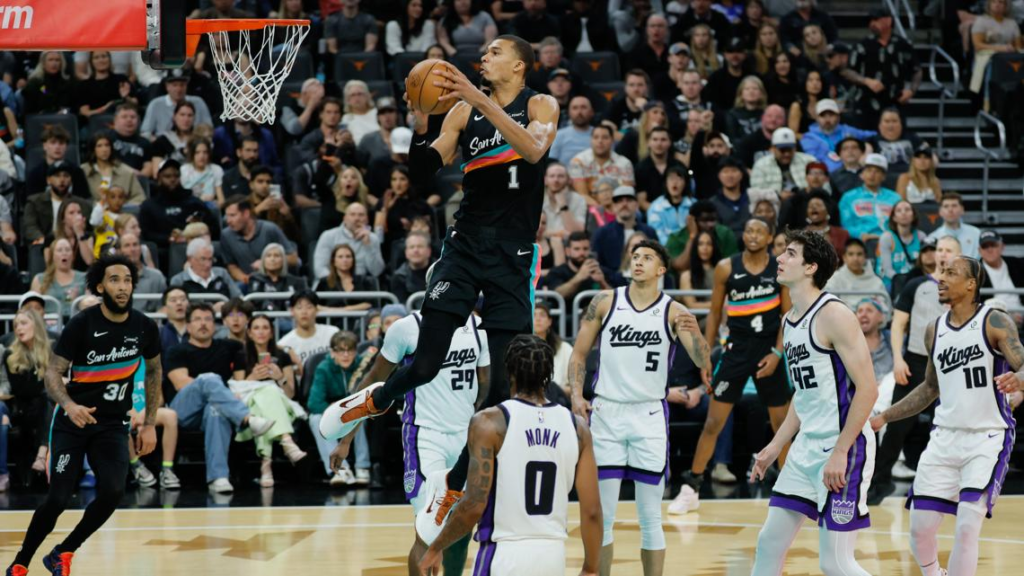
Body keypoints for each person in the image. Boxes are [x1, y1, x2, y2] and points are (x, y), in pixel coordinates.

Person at [328, 35, 559, 529]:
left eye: (495, 52)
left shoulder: (540, 104)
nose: (484, 58)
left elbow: (534, 150)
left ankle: (452, 485)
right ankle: (373, 401)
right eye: (484, 52)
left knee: (502, 390)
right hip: (465, 246)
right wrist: (420, 123)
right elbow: (423, 169)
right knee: (427, 360)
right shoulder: (462, 112)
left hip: (514, 254)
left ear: (519, 65)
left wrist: (477, 99)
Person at [7, 254, 163, 576]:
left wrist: (149, 423)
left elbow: (154, 371)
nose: (123, 287)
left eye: (127, 280)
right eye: (115, 280)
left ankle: (63, 552)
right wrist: (69, 405)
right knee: (58, 499)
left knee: (113, 492)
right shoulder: (82, 324)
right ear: (100, 286)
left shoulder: (144, 326)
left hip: (112, 424)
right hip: (73, 423)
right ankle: (21, 561)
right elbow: (53, 372)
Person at [870, 256, 1024, 576]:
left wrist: (1020, 378)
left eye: (950, 273)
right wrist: (885, 417)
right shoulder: (934, 329)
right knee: (920, 528)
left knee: (967, 526)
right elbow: (929, 388)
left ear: (971, 284)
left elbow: (1022, 363)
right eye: (941, 272)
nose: (940, 278)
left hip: (987, 437)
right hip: (944, 438)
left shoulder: (994, 321)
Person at [568, 239, 709, 576]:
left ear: (662, 269)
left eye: (647, 257)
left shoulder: (673, 311)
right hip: (607, 413)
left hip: (649, 415)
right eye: (635, 256)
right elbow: (579, 353)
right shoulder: (605, 301)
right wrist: (576, 394)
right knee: (604, 515)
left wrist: (697, 333)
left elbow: (702, 360)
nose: (639, 262)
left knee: (650, 517)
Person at [749, 228, 878, 576]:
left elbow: (868, 389)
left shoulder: (834, 314)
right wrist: (776, 445)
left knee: (835, 562)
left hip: (844, 446)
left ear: (811, 267)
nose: (779, 258)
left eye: (790, 253)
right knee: (769, 543)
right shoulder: (789, 320)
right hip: (806, 448)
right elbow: (803, 395)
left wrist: (840, 451)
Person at [416, 334, 601, 576]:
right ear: (549, 373)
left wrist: (436, 546)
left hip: (503, 554)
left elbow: (473, 505)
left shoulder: (489, 422)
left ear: (509, 372)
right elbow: (592, 511)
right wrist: (590, 568)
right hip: (553, 556)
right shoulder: (578, 428)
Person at [329, 307, 490, 573]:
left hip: (465, 436)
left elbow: (486, 387)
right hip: (424, 436)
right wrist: (347, 437)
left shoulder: (479, 327)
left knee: (460, 526)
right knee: (427, 531)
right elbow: (373, 382)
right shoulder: (407, 327)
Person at [673, 218, 792, 513]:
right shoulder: (726, 267)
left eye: (759, 231)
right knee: (713, 423)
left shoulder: (780, 268)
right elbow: (714, 314)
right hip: (735, 353)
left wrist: (777, 353)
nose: (753, 235)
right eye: (749, 230)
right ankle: (692, 487)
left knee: (782, 426)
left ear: (769, 237)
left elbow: (787, 316)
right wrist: (704, 354)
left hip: (768, 354)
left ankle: (791, 491)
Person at [871, 235, 962, 504]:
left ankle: (952, 485)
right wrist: (898, 360)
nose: (942, 254)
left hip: (951, 364)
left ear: (959, 255)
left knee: (950, 426)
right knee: (897, 424)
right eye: (940, 249)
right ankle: (879, 482)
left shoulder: (966, 288)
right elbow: (898, 325)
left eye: (948, 250)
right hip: (916, 361)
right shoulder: (917, 285)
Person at [165, 303, 275, 493]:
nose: (203, 323)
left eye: (208, 319)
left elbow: (256, 348)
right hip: (183, 411)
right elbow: (180, 383)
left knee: (215, 411)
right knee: (209, 378)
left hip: (216, 408)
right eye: (197, 319)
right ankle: (247, 418)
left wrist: (287, 351)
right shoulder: (177, 351)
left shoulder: (229, 347)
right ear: (188, 326)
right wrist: (218, 389)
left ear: (215, 325)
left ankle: (219, 478)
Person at [232, 315, 307, 488]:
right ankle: (287, 441)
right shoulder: (241, 356)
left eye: (265, 328)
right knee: (266, 395)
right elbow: (238, 393)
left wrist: (280, 378)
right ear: (249, 333)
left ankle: (266, 465)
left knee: (270, 393)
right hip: (251, 403)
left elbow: (290, 394)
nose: (261, 332)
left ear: (272, 333)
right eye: (256, 328)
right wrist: (252, 377)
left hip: (282, 404)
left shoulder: (282, 356)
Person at [308, 331, 371, 486]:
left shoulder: (362, 366)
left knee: (359, 414)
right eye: (340, 350)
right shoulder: (323, 368)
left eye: (350, 350)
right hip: (330, 411)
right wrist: (335, 410)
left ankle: (362, 466)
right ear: (332, 352)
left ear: (356, 352)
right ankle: (340, 470)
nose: (345, 355)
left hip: (357, 407)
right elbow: (314, 403)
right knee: (315, 419)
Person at [844, 10, 920, 128]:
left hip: (895, 102)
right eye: (870, 21)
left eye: (876, 20)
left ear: (888, 21)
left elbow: (917, 70)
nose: (872, 24)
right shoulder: (862, 45)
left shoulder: (903, 45)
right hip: (866, 103)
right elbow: (848, 71)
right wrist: (866, 81)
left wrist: (911, 90)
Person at [2, 310, 54, 481]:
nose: (19, 328)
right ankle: (40, 455)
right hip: (21, 408)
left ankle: (42, 452)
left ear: (36, 325)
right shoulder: (11, 354)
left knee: (47, 398)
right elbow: (22, 389)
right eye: (16, 325)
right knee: (43, 396)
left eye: (23, 323)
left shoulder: (52, 349)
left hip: (47, 405)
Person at [220, 196, 298, 286]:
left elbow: (293, 259)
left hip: (276, 281)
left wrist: (265, 262)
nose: (228, 221)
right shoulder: (226, 235)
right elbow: (232, 266)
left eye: (232, 215)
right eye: (227, 216)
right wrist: (247, 279)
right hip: (247, 283)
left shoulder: (270, 229)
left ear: (246, 213)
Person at [799, 99, 877, 172]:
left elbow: (874, 135)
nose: (827, 119)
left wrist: (867, 148)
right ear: (817, 118)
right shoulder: (809, 138)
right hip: (826, 176)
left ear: (838, 117)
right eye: (823, 115)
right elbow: (812, 163)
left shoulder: (847, 130)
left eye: (831, 115)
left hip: (852, 173)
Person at [313, 202, 387, 280]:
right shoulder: (328, 236)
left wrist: (368, 246)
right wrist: (340, 282)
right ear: (344, 218)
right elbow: (319, 269)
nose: (357, 218)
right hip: (331, 283)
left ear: (367, 220)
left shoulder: (372, 238)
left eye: (361, 215)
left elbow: (377, 271)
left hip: (360, 284)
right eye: (352, 214)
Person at [590, 186, 658, 271]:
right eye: (619, 201)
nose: (624, 204)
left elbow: (657, 261)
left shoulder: (649, 232)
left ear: (636, 205)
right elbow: (596, 264)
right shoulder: (602, 234)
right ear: (614, 206)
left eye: (629, 200)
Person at [838, 153, 901, 242]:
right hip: (860, 241)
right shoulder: (849, 197)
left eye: (877, 171)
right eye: (868, 170)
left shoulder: (895, 198)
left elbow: (900, 223)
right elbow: (846, 225)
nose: (872, 175)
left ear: (883, 177)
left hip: (891, 240)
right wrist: (860, 235)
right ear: (862, 174)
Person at [667, 200, 740, 273]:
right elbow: (680, 267)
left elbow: (732, 265)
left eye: (713, 220)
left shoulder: (725, 234)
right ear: (692, 220)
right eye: (705, 220)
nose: (710, 225)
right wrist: (692, 237)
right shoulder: (676, 238)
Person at [968, 0, 1022, 95]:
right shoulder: (981, 21)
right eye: (994, 2)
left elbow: (1018, 46)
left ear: (1006, 6)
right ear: (989, 5)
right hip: (986, 58)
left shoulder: (1012, 23)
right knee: (993, 66)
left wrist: (1013, 47)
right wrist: (1001, 48)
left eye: (1001, 2)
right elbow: (978, 45)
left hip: (1008, 57)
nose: (997, 5)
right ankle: (988, 99)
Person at [544, 231, 614, 304]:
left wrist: (602, 282)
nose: (582, 253)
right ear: (567, 251)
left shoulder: (599, 270)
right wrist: (579, 277)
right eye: (577, 249)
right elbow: (558, 295)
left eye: (585, 249)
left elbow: (613, 299)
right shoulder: (557, 272)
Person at [569, 125, 635, 200]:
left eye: (605, 137)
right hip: (587, 206)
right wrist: (600, 208)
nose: (600, 141)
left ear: (612, 140)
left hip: (617, 205)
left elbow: (627, 195)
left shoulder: (625, 164)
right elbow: (582, 195)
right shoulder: (578, 162)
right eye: (596, 137)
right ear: (590, 140)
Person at [169, 238, 241, 305]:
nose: (208, 264)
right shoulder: (178, 281)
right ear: (190, 259)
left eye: (210, 259)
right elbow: (176, 308)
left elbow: (238, 299)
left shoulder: (222, 274)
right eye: (203, 259)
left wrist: (225, 308)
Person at [82, 133, 146, 206]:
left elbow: (139, 197)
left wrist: (121, 206)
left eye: (107, 145)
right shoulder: (83, 171)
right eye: (99, 146)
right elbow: (80, 199)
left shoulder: (126, 172)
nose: (104, 149)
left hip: (122, 211)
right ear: (93, 149)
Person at [278, 291, 341, 366]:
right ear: (292, 311)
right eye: (299, 308)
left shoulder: (332, 333)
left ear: (316, 310)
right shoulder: (285, 344)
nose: (304, 312)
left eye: (309, 307)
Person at [877, 200, 927, 289]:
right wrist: (903, 281)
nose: (903, 213)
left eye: (907, 209)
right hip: (893, 282)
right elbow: (887, 270)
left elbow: (925, 266)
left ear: (913, 215)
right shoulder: (887, 237)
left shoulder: (921, 236)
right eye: (899, 210)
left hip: (916, 281)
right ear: (894, 217)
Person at [823, 238, 887, 308]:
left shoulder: (877, 282)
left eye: (859, 254)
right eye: (851, 254)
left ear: (865, 257)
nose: (855, 258)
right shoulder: (834, 279)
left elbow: (884, 308)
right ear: (844, 257)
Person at [30, 239, 88, 316]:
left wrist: (80, 303)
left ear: (73, 255)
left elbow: (90, 304)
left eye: (67, 250)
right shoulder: (39, 279)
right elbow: (32, 309)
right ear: (52, 256)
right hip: (48, 321)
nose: (64, 253)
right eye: (59, 250)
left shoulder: (85, 277)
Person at [313, 244, 376, 312]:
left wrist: (344, 309)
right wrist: (331, 311)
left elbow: (369, 304)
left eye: (348, 256)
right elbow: (314, 304)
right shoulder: (325, 282)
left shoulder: (363, 281)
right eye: (340, 257)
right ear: (334, 261)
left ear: (353, 260)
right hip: (332, 318)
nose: (345, 260)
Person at [117, 233, 167, 312]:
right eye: (127, 246)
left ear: (141, 249)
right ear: (119, 251)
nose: (132, 249)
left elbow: (163, 307)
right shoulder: (111, 278)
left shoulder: (156, 276)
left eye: (135, 245)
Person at [979, 230, 1024, 315]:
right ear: (979, 250)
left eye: (993, 245)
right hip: (991, 317)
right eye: (985, 246)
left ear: (1002, 247)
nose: (989, 250)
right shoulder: (975, 272)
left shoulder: (1018, 264)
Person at [647, 165, 695, 246]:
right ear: (666, 183)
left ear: (685, 183)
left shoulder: (694, 205)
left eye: (679, 179)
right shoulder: (655, 208)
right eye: (671, 178)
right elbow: (657, 235)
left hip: (691, 246)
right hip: (665, 249)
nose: (675, 182)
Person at [533, 302, 572, 398]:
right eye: (534, 315)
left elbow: (575, 387)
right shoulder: (521, 348)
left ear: (549, 321)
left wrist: (555, 390)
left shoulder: (564, 348)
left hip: (557, 398)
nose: (538, 319)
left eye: (542, 315)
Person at [927, 192, 981, 259]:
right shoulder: (933, 238)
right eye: (946, 206)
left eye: (954, 206)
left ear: (962, 209)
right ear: (940, 212)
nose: (950, 210)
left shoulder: (976, 234)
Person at [679, 230, 720, 316]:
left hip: (719, 316)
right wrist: (719, 304)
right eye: (700, 244)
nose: (705, 248)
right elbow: (691, 305)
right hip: (698, 319)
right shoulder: (686, 276)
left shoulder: (721, 271)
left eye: (709, 244)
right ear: (695, 247)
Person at [180, 138, 225, 210]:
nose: (201, 156)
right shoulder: (183, 170)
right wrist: (200, 199)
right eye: (197, 152)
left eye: (205, 152)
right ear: (192, 154)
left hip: (210, 208)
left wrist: (215, 205)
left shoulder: (216, 169)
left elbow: (221, 200)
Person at [549, 96, 595, 166]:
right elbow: (551, 162)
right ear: (569, 112)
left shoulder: (600, 135)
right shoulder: (558, 135)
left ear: (591, 112)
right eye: (575, 108)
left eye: (583, 107)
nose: (579, 112)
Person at [390, 231, 434, 303]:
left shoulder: (442, 272)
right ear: (406, 252)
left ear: (429, 251)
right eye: (412, 247)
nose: (415, 250)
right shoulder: (399, 277)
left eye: (420, 246)